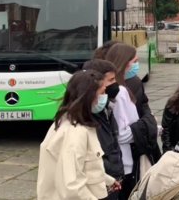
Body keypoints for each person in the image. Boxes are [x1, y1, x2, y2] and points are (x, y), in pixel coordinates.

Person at [37, 70, 121, 199]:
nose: (105, 96)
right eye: (102, 92)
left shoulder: (69, 121)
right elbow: (72, 186)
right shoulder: (76, 133)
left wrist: (107, 180)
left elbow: (85, 166)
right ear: (89, 96)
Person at [105, 43, 161, 200]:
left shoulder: (125, 87)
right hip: (125, 162)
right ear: (123, 62)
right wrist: (149, 129)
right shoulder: (120, 92)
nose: (137, 65)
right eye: (134, 61)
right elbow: (121, 134)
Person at [82, 59, 125, 200]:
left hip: (111, 179)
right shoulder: (84, 118)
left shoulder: (105, 107)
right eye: (110, 80)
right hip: (100, 183)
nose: (113, 85)